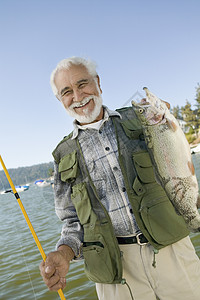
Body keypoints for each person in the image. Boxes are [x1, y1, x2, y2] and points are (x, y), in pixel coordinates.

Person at [39, 56, 200, 300]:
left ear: (98, 83)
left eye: (83, 84)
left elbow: (178, 166)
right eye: (67, 91)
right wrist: (63, 253)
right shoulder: (62, 155)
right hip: (115, 271)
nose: (78, 96)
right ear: (60, 100)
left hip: (172, 249)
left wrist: (167, 119)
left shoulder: (140, 118)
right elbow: (72, 221)